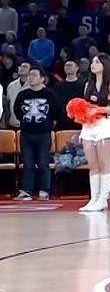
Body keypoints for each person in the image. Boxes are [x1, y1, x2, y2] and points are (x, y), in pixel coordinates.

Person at [78, 54, 110, 212]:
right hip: (88, 125)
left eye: (97, 62)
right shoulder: (88, 84)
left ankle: (103, 199)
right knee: (92, 164)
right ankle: (94, 199)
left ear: (105, 64)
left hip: (104, 124)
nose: (93, 64)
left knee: (104, 163)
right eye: (92, 62)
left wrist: (98, 110)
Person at [14, 66, 59, 200]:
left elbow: (57, 111)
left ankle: (44, 190)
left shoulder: (50, 94)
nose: (30, 77)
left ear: (42, 78)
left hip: (44, 134)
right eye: (30, 75)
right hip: (26, 133)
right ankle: (25, 190)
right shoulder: (23, 95)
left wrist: (49, 123)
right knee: (27, 163)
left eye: (34, 75)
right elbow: (17, 111)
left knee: (43, 162)